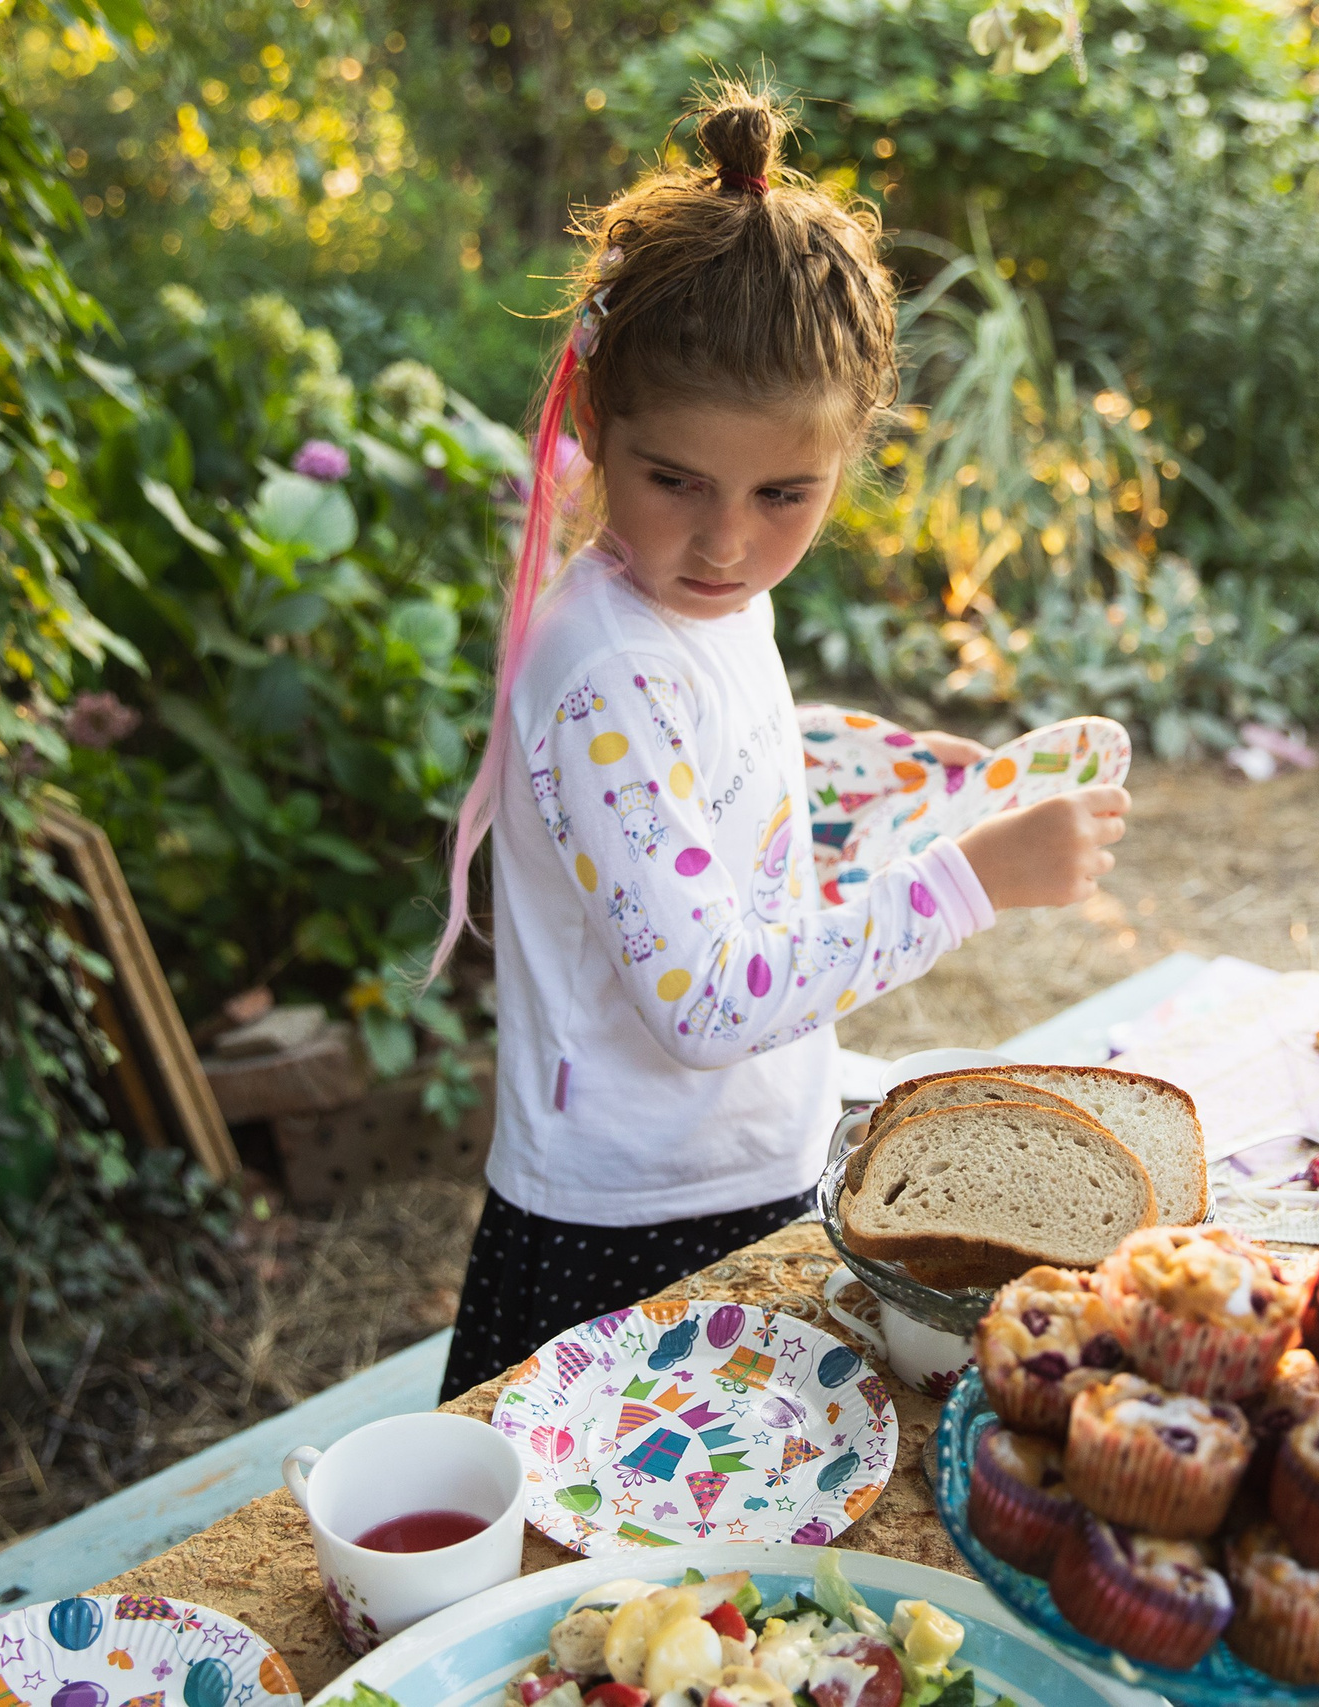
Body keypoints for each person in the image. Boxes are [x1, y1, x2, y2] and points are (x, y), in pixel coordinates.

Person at [431, 85, 1132, 1399]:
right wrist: (974, 875)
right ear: (595, 428)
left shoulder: (690, 600)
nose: (727, 543)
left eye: (783, 495)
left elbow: (721, 772)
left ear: (845, 459)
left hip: (735, 1164)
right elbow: (710, 1003)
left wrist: (907, 776)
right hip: (630, 1224)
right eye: (675, 480)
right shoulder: (603, 677)